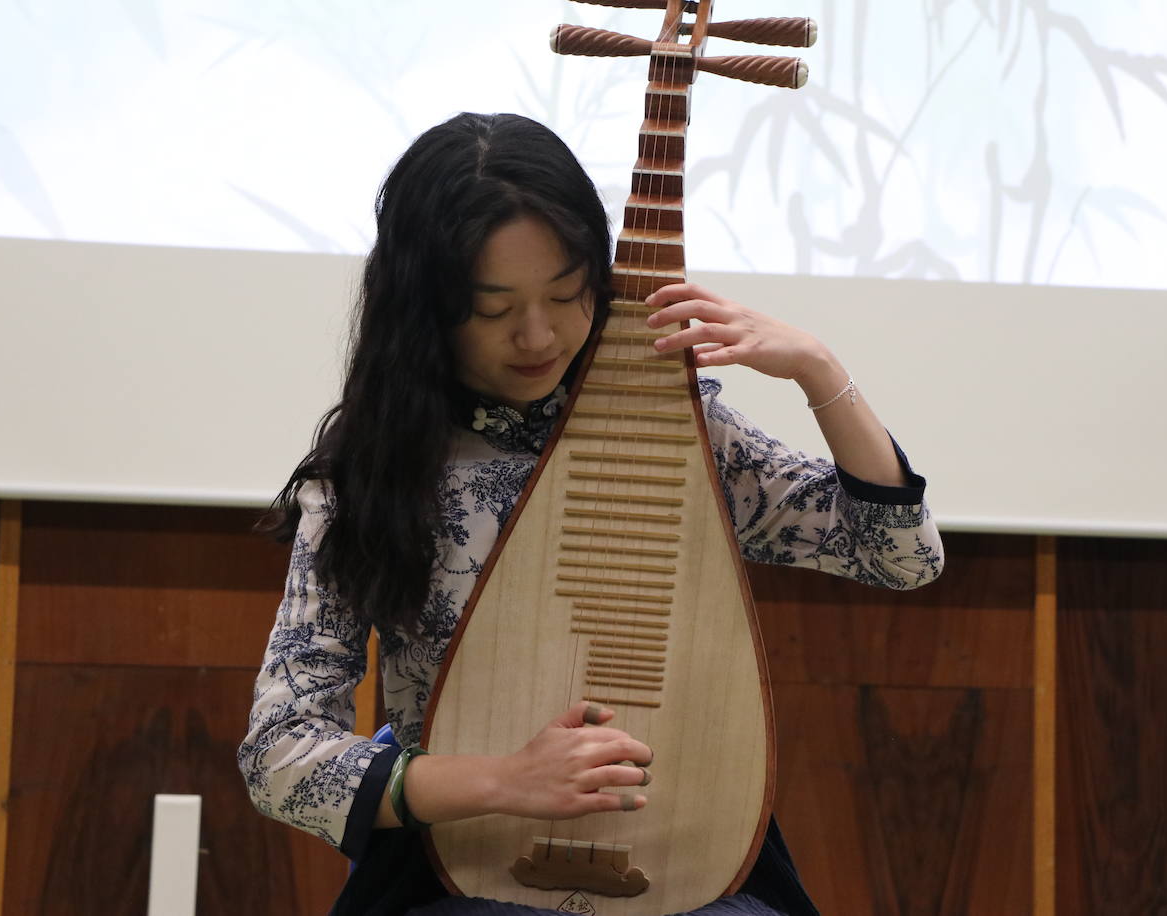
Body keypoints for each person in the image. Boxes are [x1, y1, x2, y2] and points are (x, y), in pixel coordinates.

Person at [238, 112, 944, 915]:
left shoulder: (673, 433)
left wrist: (819, 371)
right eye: (492, 308)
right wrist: (506, 779)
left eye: (568, 294)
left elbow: (902, 558)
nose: (537, 335)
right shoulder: (370, 480)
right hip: (458, 866)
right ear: (424, 308)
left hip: (690, 863)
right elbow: (280, 755)